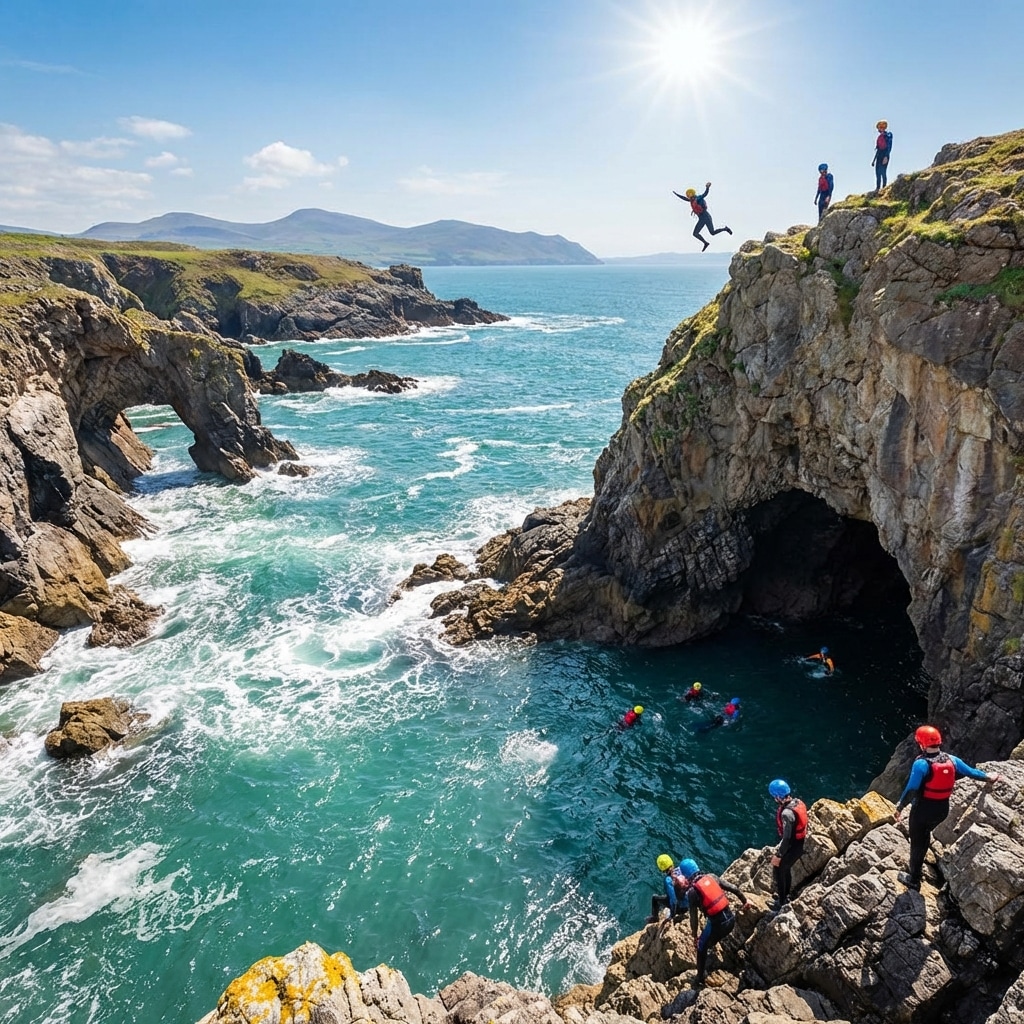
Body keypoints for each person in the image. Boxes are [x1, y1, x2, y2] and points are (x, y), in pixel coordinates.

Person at [893, 725, 1002, 891]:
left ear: (921, 744)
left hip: (923, 811)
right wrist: (989, 777)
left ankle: (914, 879)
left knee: (917, 843)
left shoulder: (921, 764)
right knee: (925, 834)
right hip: (942, 811)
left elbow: (912, 789)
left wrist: (899, 807)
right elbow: (971, 772)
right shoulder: (952, 759)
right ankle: (922, 856)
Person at [678, 858, 748, 987]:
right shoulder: (712, 877)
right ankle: (710, 953)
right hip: (731, 920)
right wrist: (745, 901)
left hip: (718, 926)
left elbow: (694, 919)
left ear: (686, 875)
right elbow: (734, 888)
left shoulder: (692, 893)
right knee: (709, 938)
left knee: (701, 947)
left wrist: (694, 936)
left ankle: (699, 978)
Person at [768, 779, 807, 912]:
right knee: (785, 869)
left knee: (779, 870)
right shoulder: (797, 802)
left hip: (793, 847)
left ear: (778, 797)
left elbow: (786, 837)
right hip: (799, 844)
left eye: (774, 797)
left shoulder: (786, 814)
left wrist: (779, 855)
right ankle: (785, 895)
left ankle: (782, 902)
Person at [673, 182, 733, 252]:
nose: (687, 196)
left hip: (706, 216)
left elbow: (705, 194)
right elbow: (684, 198)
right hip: (702, 218)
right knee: (695, 233)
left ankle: (725, 229)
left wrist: (707, 187)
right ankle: (706, 243)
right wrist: (677, 195)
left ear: (691, 193)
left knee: (712, 233)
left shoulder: (698, 198)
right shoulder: (691, 200)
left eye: (688, 194)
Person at [647, 854, 690, 923]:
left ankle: (655, 918)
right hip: (689, 902)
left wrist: (671, 916)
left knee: (654, 898)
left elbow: (674, 900)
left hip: (681, 908)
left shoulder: (668, 880)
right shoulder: (680, 869)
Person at [872, 120, 893, 190]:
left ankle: (884, 187)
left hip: (885, 154)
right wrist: (874, 160)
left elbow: (889, 146)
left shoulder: (888, 135)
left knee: (883, 171)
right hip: (879, 155)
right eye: (879, 127)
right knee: (877, 172)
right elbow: (878, 149)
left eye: (881, 127)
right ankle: (878, 188)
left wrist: (886, 156)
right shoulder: (879, 137)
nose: (880, 129)